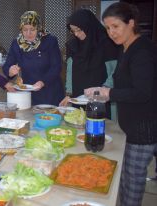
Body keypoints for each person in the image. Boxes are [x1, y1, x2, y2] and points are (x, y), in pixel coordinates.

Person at [84, 3, 157, 206]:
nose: (111, 33)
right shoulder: (127, 48)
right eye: (107, 28)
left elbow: (142, 93)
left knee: (133, 181)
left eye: (115, 26)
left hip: (142, 130)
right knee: (125, 178)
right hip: (132, 126)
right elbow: (126, 83)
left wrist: (110, 93)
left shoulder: (142, 51)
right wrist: (104, 90)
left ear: (131, 23)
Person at [59, 9, 119, 119]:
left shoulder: (107, 43)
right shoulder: (73, 45)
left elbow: (115, 72)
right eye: (73, 31)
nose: (76, 34)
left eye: (79, 30)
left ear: (88, 26)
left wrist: (104, 91)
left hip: (102, 100)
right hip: (78, 100)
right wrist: (69, 95)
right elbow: (70, 72)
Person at [3, 11, 64, 106]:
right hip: (28, 93)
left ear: (39, 28)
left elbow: (56, 67)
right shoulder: (17, 43)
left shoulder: (50, 41)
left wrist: (43, 82)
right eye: (25, 29)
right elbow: (7, 66)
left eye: (32, 29)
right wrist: (10, 71)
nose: (28, 33)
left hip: (50, 91)